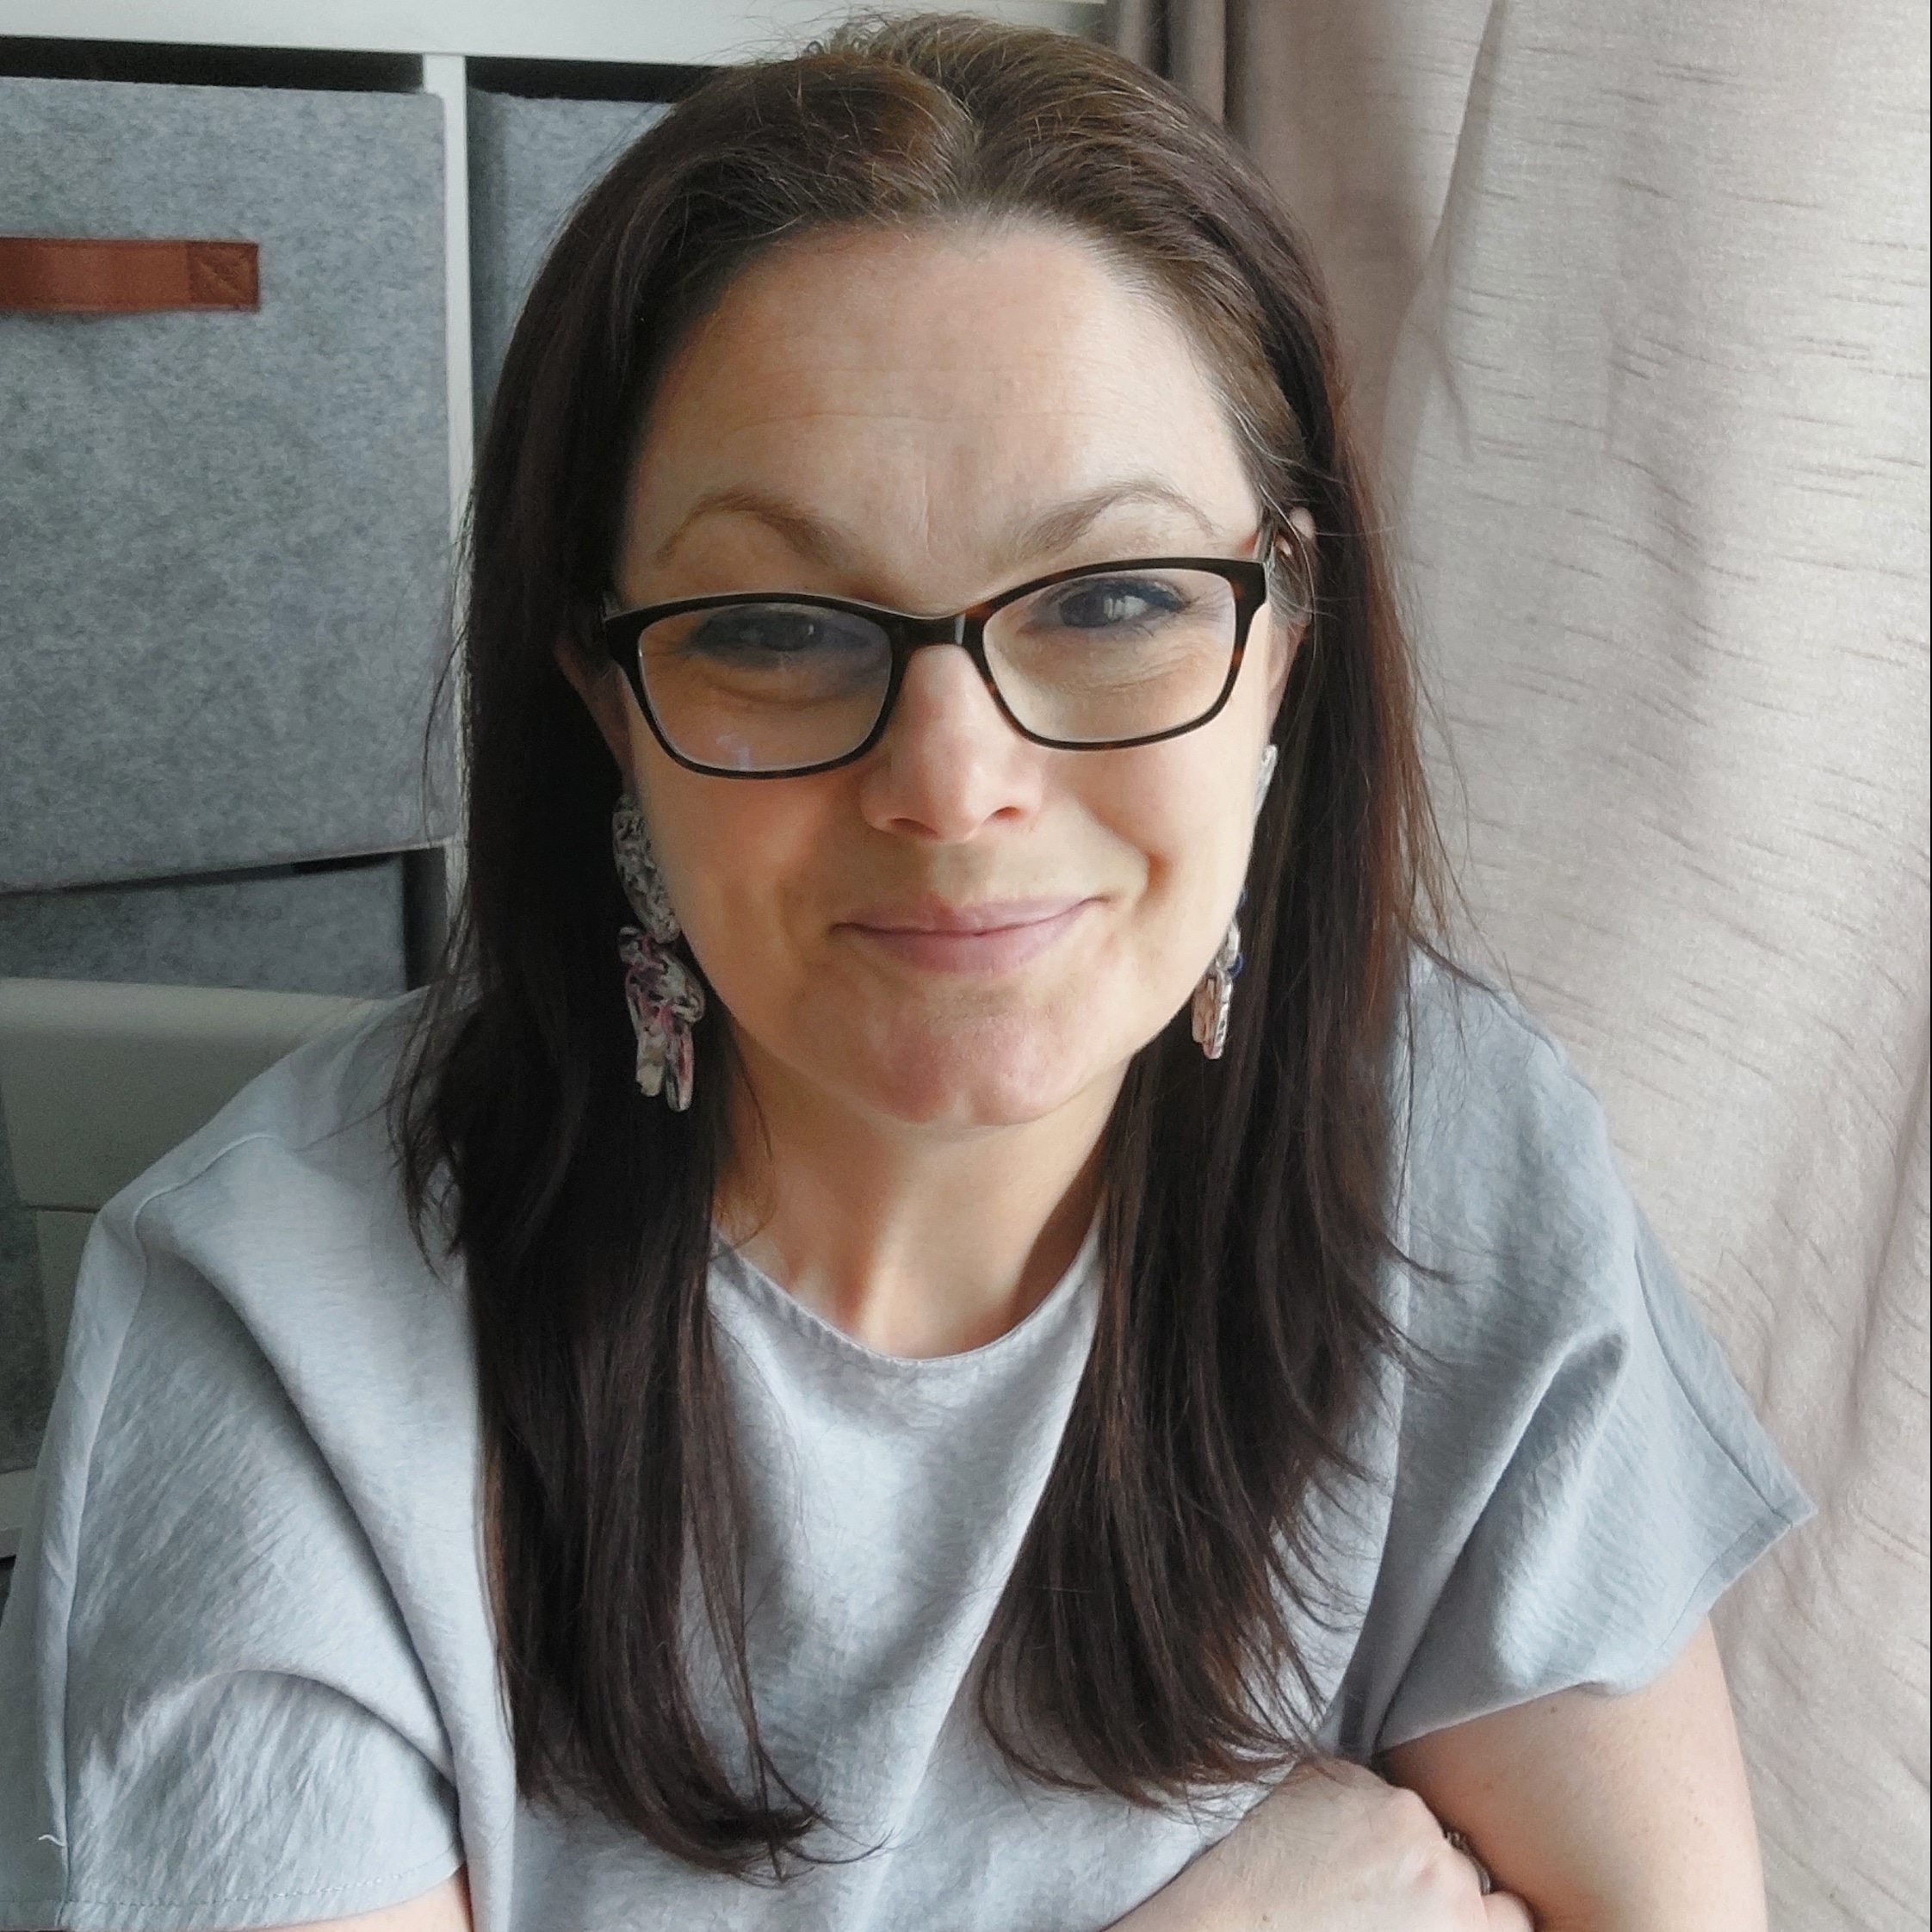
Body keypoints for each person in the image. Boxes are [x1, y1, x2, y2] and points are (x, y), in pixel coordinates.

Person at [0, 17, 1809, 1931]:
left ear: (1285, 634)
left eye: (1115, 599)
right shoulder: (275, 1328)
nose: (953, 785)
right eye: (778, 628)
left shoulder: (1451, 1145)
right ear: (605, 695)